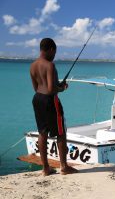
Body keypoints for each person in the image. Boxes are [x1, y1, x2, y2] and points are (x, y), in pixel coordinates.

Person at [30, 38, 78, 176]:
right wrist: (62, 88)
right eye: (55, 52)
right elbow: (51, 89)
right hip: (50, 101)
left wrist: (56, 85)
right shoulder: (50, 65)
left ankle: (45, 168)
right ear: (51, 49)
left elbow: (37, 87)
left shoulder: (32, 66)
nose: (54, 55)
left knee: (42, 132)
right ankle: (64, 167)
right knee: (61, 132)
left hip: (37, 99)